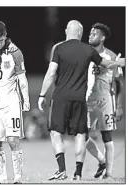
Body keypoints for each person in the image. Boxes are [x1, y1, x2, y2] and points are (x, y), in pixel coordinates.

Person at [37, 20, 125, 181]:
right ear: (80, 33)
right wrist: (118, 63)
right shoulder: (88, 50)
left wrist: (42, 94)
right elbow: (106, 64)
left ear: (66, 31)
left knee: (56, 133)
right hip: (81, 99)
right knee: (80, 135)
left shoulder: (58, 48)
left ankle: (62, 170)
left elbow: (51, 73)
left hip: (61, 98)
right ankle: (78, 173)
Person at [0, 21, 30, 184]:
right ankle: (2, 179)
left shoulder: (15, 52)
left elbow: (22, 78)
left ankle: (18, 178)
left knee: (12, 140)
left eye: (0, 40)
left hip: (12, 103)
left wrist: (26, 100)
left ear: (5, 36)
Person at [85, 23, 124, 180]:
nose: (90, 35)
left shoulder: (112, 57)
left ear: (102, 38)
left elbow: (119, 83)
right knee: (80, 135)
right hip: (86, 101)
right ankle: (101, 160)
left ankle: (108, 173)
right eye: (90, 32)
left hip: (105, 101)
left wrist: (119, 106)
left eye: (94, 33)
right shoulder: (84, 54)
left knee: (107, 136)